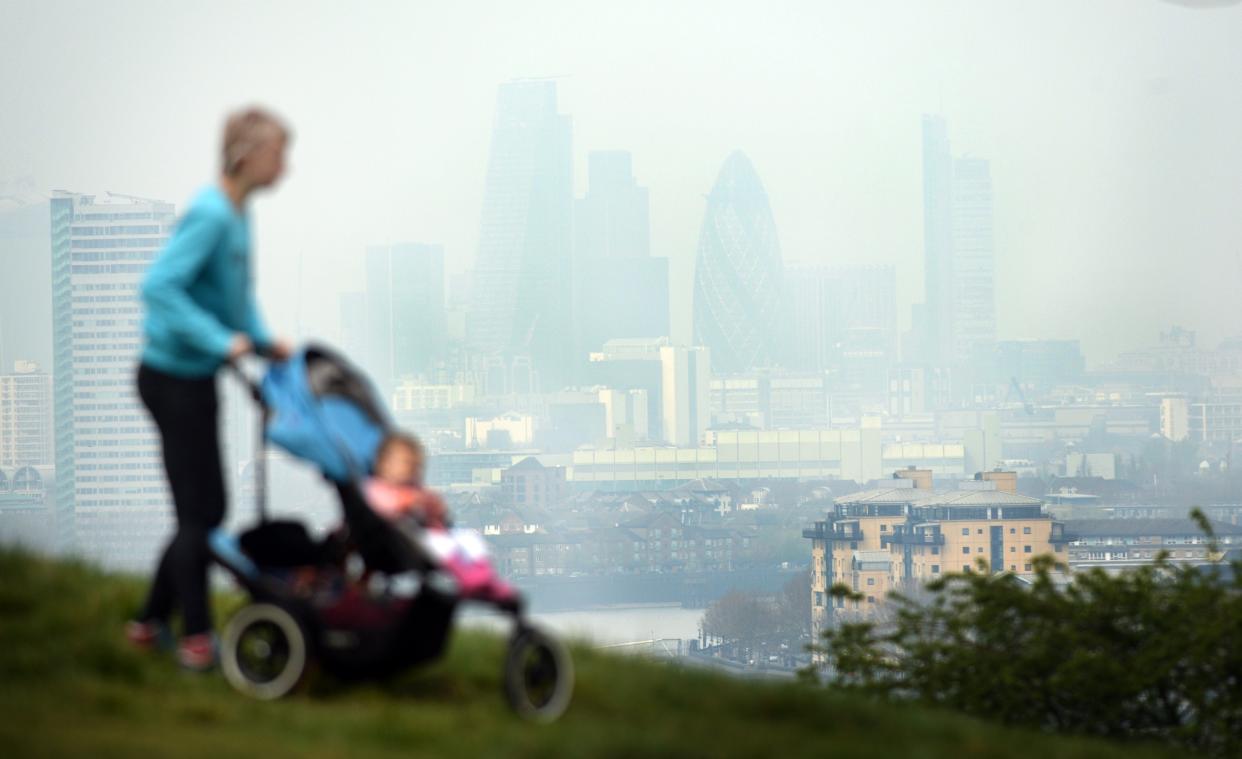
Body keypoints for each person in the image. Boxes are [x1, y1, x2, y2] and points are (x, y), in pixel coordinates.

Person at [125, 107, 292, 670]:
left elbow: (236, 297)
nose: (285, 164)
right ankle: (197, 638)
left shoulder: (240, 216)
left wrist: (266, 341)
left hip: (196, 379)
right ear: (246, 155)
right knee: (201, 515)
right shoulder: (211, 215)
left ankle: (149, 625)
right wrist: (223, 342)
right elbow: (159, 288)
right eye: (278, 152)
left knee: (203, 513)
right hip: (172, 377)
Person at [365, 434, 514, 603]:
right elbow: (383, 505)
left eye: (417, 467)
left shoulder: (415, 490)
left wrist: (436, 508)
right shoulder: (377, 488)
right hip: (403, 539)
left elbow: (436, 514)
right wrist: (411, 500)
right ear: (384, 464)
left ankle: (485, 579)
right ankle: (466, 578)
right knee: (442, 545)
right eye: (407, 464)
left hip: (431, 531)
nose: (412, 470)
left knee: (471, 539)